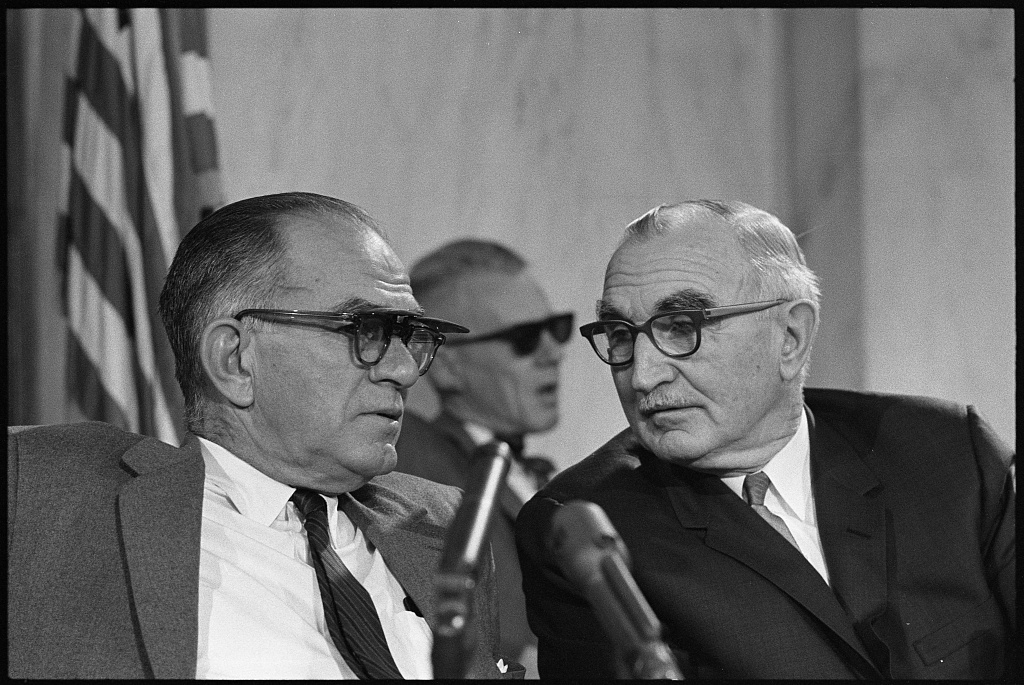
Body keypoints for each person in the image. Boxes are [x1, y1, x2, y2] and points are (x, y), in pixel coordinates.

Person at [8, 192, 523, 679]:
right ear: (234, 360)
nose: (404, 371)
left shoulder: (444, 527)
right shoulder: (47, 488)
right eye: (366, 331)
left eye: (409, 337)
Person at [515, 200, 1016, 680]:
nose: (643, 376)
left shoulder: (946, 451)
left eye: (681, 327)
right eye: (621, 335)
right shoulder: (584, 529)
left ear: (791, 337)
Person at [394, 239, 573, 677]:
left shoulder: (545, 477)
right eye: (524, 339)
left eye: (556, 328)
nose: (553, 353)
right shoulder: (418, 466)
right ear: (446, 366)